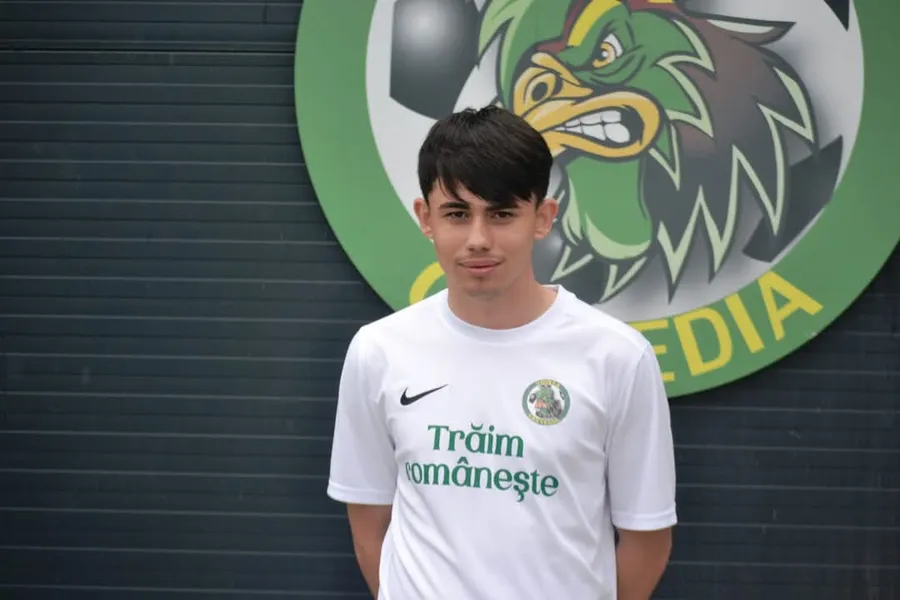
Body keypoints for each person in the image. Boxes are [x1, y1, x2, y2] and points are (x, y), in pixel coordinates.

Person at [326, 106, 677, 600]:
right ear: (425, 218)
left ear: (543, 218)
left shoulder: (617, 357)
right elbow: (368, 519)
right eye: (456, 214)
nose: (478, 239)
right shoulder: (378, 351)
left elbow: (647, 539)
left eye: (502, 214)